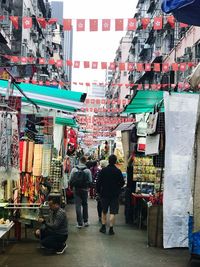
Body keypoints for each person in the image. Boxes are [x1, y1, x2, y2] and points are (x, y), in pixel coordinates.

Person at [96, 154, 125, 235]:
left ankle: (103, 227)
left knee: (104, 211)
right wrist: (117, 187)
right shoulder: (118, 171)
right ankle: (111, 229)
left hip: (104, 193)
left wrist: (98, 191)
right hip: (114, 194)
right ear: (115, 161)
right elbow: (122, 183)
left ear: (108, 161)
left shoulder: (103, 170)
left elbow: (98, 182)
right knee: (113, 212)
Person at [69, 156, 92, 228]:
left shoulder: (74, 169)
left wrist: (71, 187)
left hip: (76, 189)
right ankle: (85, 221)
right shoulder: (87, 170)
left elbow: (70, 180)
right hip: (85, 190)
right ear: (85, 162)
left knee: (78, 205)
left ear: (79, 161)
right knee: (85, 204)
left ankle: (79, 223)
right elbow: (90, 181)